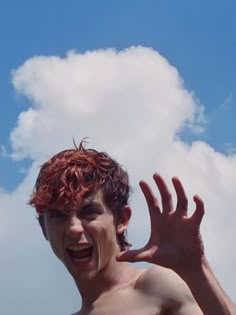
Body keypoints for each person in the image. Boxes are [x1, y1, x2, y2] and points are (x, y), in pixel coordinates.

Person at [29, 141, 236, 315]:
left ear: (122, 219)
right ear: (43, 228)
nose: (74, 228)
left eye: (89, 212)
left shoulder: (156, 286)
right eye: (58, 215)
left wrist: (196, 270)